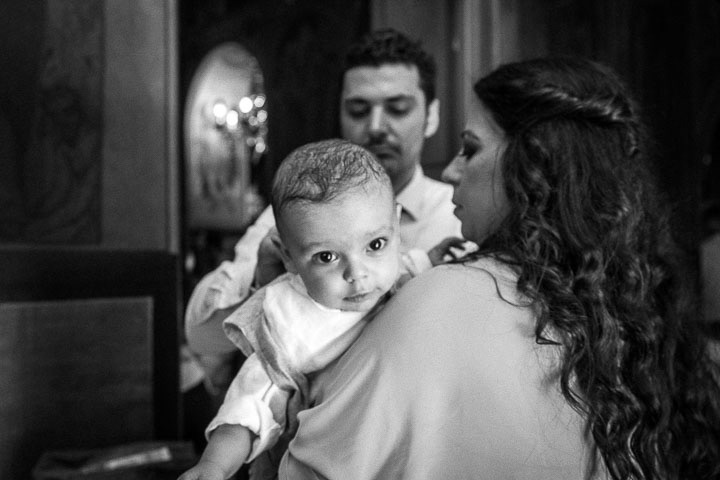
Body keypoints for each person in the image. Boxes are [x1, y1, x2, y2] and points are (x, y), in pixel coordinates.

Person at [277, 57, 720, 479]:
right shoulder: (633, 312)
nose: (451, 170)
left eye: (470, 149)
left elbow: (311, 467)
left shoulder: (442, 300)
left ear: (535, 166)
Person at [184, 28, 463, 394]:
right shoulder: (295, 215)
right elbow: (200, 336)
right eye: (358, 110)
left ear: (431, 116)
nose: (375, 127)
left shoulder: (458, 217)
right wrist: (263, 287)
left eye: (397, 109)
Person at [179, 139, 456, 480]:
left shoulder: (399, 268)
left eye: (375, 245)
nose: (357, 273)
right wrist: (214, 465)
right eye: (327, 257)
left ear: (395, 228)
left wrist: (435, 257)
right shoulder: (291, 320)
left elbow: (413, 263)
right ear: (287, 257)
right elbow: (249, 404)